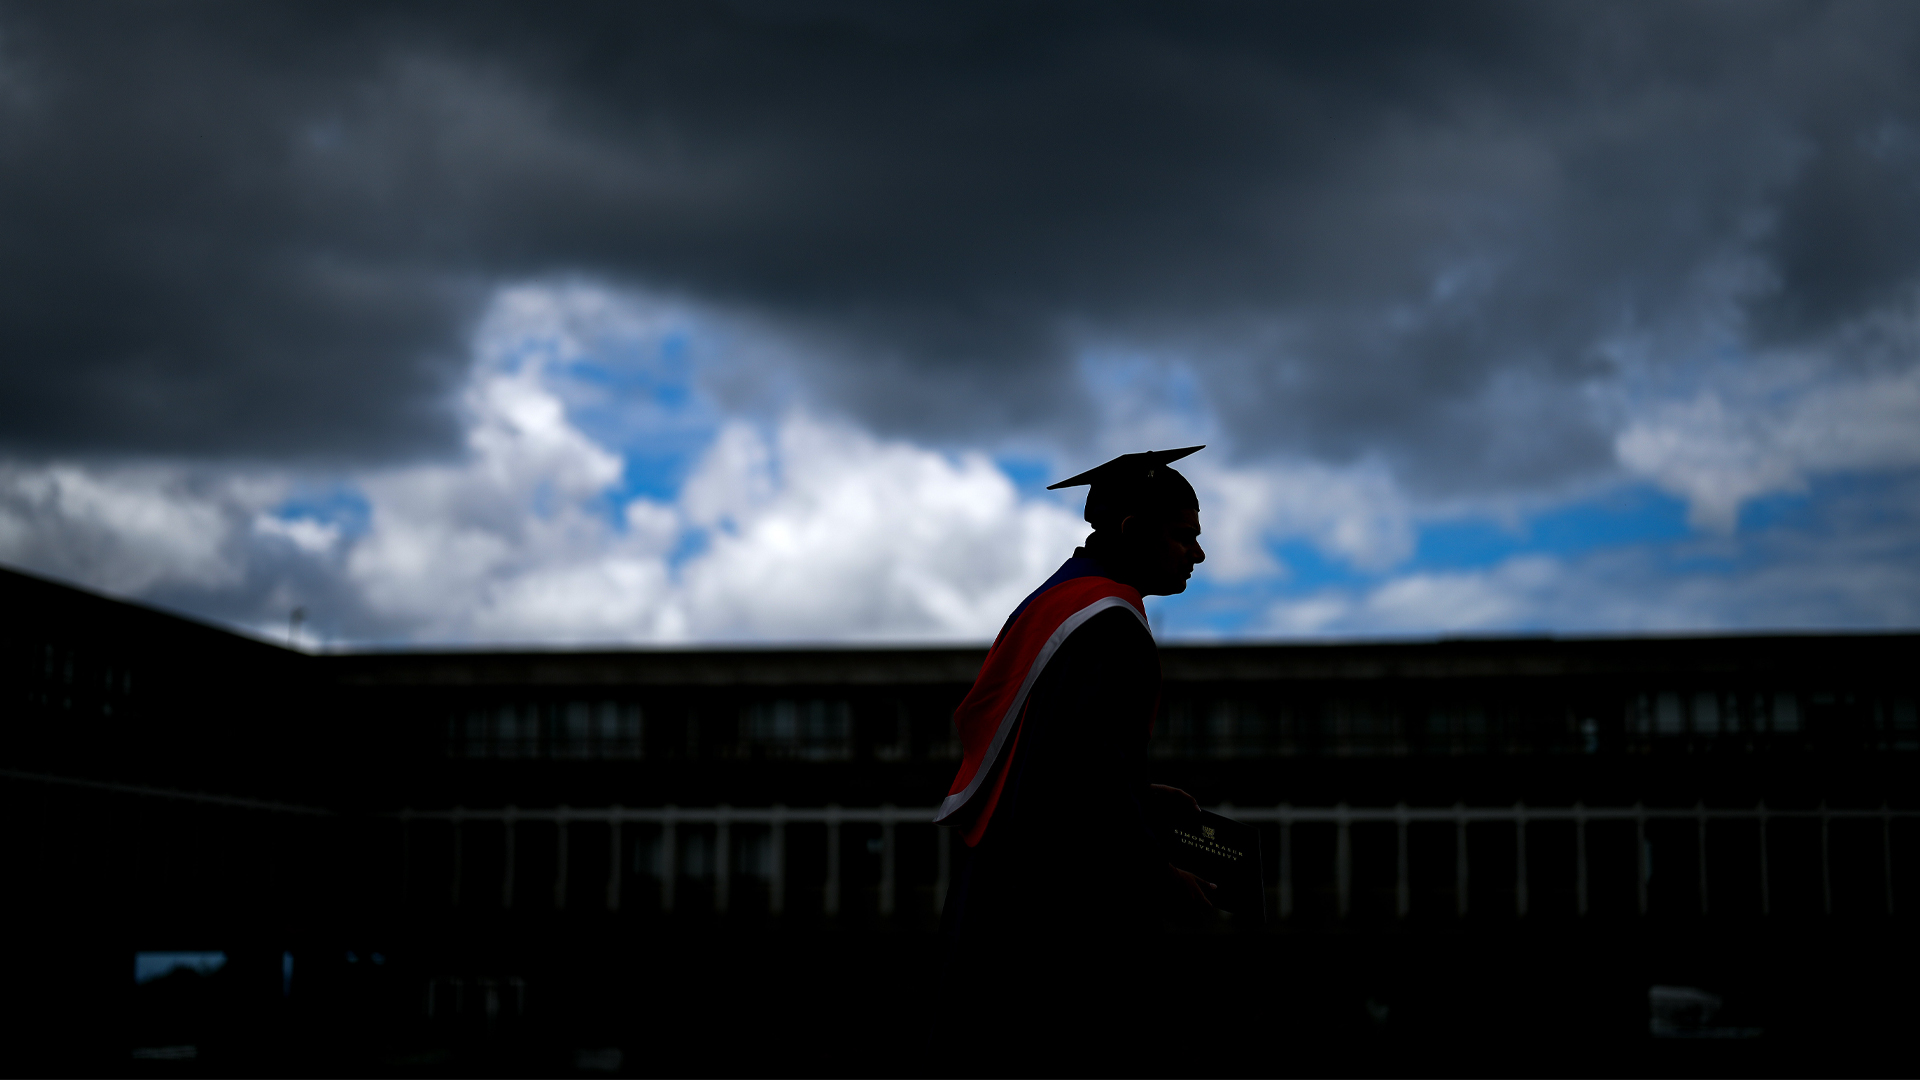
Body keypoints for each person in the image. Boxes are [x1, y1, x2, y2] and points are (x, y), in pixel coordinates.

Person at [936, 446, 1215, 953]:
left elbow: (1052, 764)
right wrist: (1160, 876)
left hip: (999, 883)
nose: (1197, 556)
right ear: (1132, 531)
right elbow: (1087, 781)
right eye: (1183, 537)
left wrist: (1137, 793)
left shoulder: (1052, 602)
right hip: (1054, 912)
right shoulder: (1109, 623)